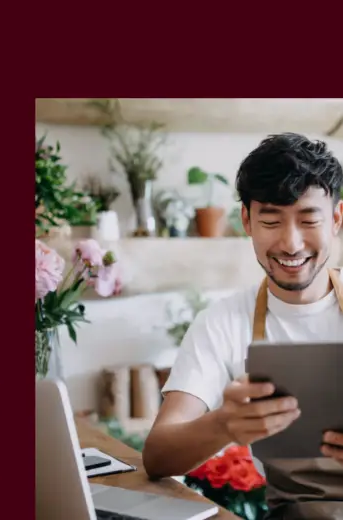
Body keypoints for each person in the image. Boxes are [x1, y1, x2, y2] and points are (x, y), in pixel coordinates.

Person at [142, 132, 343, 519]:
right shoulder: (222, 323)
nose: (290, 243)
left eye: (308, 220)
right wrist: (223, 425)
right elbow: (158, 455)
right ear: (247, 221)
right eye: (270, 220)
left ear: (335, 219)